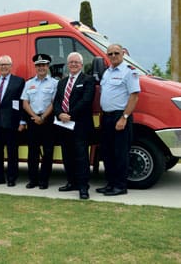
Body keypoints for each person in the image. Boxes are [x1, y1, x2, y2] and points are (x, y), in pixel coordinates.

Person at [97, 44, 140, 196]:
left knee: (120, 153)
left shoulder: (129, 72)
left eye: (116, 53)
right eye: (110, 54)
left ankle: (120, 186)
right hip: (107, 117)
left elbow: (134, 96)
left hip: (120, 117)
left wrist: (124, 117)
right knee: (107, 153)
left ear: (123, 54)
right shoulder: (107, 72)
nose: (113, 56)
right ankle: (110, 184)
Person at [53, 52, 95, 199]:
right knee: (67, 155)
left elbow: (86, 100)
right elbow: (57, 102)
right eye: (71, 62)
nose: (73, 64)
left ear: (81, 65)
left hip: (80, 125)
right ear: (67, 64)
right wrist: (59, 114)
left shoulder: (88, 80)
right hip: (64, 125)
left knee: (81, 157)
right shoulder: (62, 82)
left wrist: (69, 114)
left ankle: (83, 187)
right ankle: (72, 182)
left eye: (76, 62)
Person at [0, 55, 25, 187]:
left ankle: (11, 178)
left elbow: (22, 103)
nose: (3, 67)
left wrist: (22, 121)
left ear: (11, 66)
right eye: (1, 65)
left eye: (6, 64)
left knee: (12, 152)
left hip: (12, 122)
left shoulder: (19, 81)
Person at [21, 54, 58, 190]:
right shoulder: (28, 83)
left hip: (47, 121)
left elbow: (54, 103)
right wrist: (35, 117)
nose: (41, 68)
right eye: (38, 65)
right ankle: (33, 180)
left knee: (48, 152)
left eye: (43, 65)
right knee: (32, 152)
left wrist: (42, 118)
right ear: (35, 67)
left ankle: (44, 180)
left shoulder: (55, 83)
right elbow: (25, 102)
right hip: (32, 120)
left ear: (48, 66)